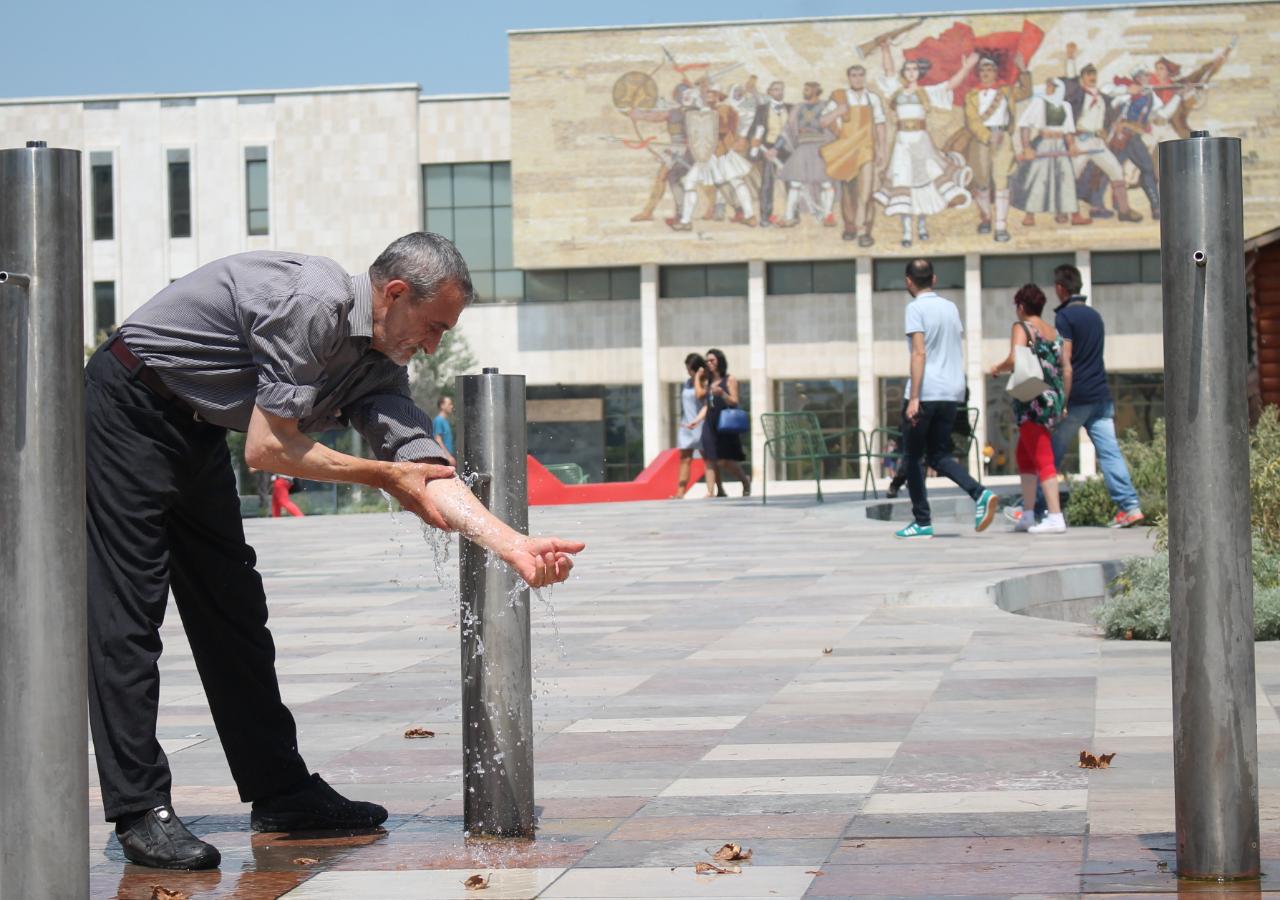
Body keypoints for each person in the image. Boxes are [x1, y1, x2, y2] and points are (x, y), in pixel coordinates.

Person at [85, 232, 585, 870]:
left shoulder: (377, 363)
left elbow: (423, 470)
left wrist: (513, 545)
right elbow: (269, 451)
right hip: (131, 402)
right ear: (395, 294)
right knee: (129, 615)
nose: (434, 345)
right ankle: (138, 810)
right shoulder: (311, 304)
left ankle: (281, 792)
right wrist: (383, 477)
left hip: (196, 422)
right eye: (434, 326)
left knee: (233, 608)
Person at [894, 259, 997, 539]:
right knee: (938, 455)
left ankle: (922, 522)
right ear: (934, 279)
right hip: (951, 392)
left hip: (926, 392)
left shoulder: (915, 309)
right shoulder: (950, 308)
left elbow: (919, 353)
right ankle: (980, 493)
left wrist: (914, 397)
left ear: (909, 282)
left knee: (913, 457)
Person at [874, 47, 979, 247]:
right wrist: (885, 48)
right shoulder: (896, 90)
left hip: (921, 141)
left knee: (925, 183)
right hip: (903, 143)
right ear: (904, 72)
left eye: (914, 69)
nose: (911, 72)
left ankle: (921, 226)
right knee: (904, 182)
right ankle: (906, 232)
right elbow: (888, 70)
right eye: (908, 69)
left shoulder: (927, 92)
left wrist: (965, 69)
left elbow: (949, 85)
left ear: (918, 72)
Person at [989, 284, 1071, 534]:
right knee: (1024, 454)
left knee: (1042, 456)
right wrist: (1063, 402)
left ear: (1021, 307)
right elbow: (1067, 369)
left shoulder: (1022, 326)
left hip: (1031, 399)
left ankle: (1055, 516)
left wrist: (997, 368)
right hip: (1051, 398)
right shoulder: (1054, 332)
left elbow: (1015, 358)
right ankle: (1027, 513)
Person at [820, 64, 887, 246]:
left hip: (866, 148)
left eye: (860, 75)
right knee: (848, 192)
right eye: (854, 75)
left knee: (866, 191)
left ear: (864, 77)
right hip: (846, 149)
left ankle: (864, 230)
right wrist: (837, 112)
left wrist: (882, 149)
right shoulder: (840, 97)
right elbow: (824, 121)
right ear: (849, 78)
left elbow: (880, 124)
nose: (857, 78)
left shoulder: (872, 98)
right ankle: (850, 226)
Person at [700, 348, 751, 497]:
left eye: (712, 360)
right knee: (709, 458)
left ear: (719, 361)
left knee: (723, 461)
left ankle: (745, 480)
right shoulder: (708, 382)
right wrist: (697, 421)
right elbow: (706, 404)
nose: (709, 363)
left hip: (724, 423)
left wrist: (722, 393)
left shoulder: (730, 379)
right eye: (707, 361)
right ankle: (710, 492)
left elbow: (734, 401)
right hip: (709, 422)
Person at [674, 353, 707, 498]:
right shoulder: (686, 383)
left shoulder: (705, 382)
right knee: (685, 459)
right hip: (687, 425)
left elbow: (701, 397)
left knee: (709, 459)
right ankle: (680, 492)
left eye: (689, 369)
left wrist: (699, 378)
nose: (687, 371)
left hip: (701, 424)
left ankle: (718, 488)